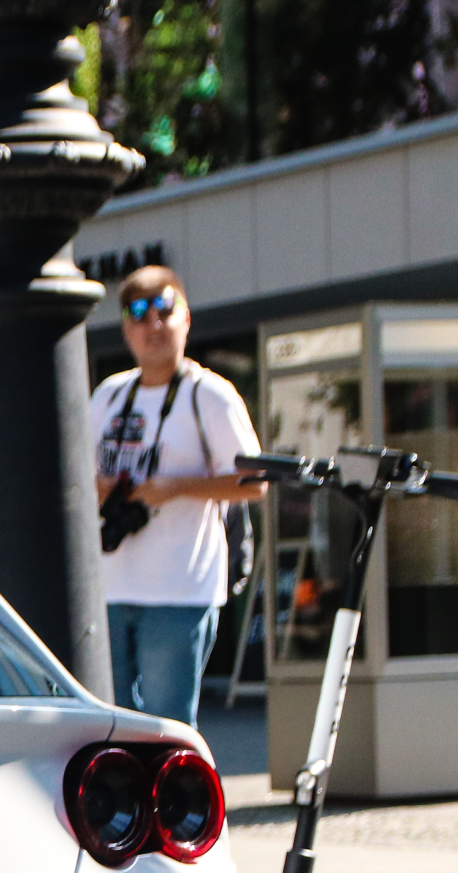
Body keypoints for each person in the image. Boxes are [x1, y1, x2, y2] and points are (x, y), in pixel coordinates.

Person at [90, 266, 263, 727]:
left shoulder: (210, 395)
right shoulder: (109, 395)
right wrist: (102, 487)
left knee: (167, 729)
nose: (154, 325)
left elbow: (255, 482)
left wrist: (177, 487)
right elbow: (74, 479)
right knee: (109, 727)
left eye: (166, 310)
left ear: (186, 318)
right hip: (109, 587)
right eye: (139, 313)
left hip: (180, 590)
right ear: (126, 327)